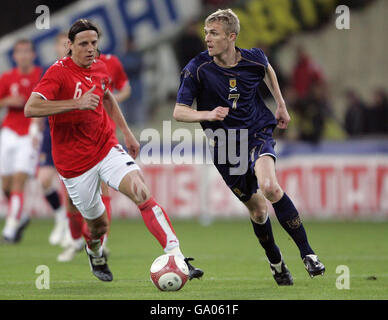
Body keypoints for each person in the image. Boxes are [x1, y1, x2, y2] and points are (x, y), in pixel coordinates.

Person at [25, 19, 203, 282]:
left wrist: (127, 133)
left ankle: (176, 255)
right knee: (99, 226)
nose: (89, 49)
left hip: (106, 147)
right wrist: (77, 103)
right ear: (69, 45)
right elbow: (31, 108)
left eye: (93, 43)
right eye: (83, 44)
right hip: (74, 164)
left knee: (141, 192)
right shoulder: (57, 73)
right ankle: (95, 253)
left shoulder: (100, 67)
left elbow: (107, 95)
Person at [173, 9, 325, 286]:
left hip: (257, 131)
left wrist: (280, 104)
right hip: (226, 147)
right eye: (206, 32)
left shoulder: (253, 57)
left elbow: (267, 69)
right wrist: (206, 115)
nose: (207, 38)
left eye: (214, 33)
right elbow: (179, 111)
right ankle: (276, 261)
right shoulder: (197, 68)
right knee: (257, 210)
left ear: (231, 37)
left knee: (270, 187)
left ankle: (308, 254)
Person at [57, 50, 132, 262]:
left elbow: (125, 88)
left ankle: (102, 241)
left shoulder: (109, 63)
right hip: (72, 140)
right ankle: (75, 241)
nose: (89, 46)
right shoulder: (61, 70)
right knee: (71, 198)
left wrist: (109, 98)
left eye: (92, 41)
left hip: (102, 133)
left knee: (103, 187)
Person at [0, 39, 42, 243]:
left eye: (27, 51)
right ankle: (21, 216)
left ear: (33, 55)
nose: (23, 55)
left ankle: (9, 229)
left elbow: (46, 103)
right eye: (19, 52)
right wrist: (7, 101)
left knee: (18, 181)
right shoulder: (7, 78)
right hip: (8, 133)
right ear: (15, 56)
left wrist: (36, 128)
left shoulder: (41, 76)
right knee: (5, 185)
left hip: (29, 134)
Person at [33, 33, 71, 247]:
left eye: (68, 42)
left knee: (71, 184)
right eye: (62, 43)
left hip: (73, 132)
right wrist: (34, 129)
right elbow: (37, 102)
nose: (65, 46)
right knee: (44, 180)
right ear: (56, 47)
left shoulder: (83, 70)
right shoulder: (50, 70)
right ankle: (60, 218)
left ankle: (75, 231)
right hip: (50, 132)